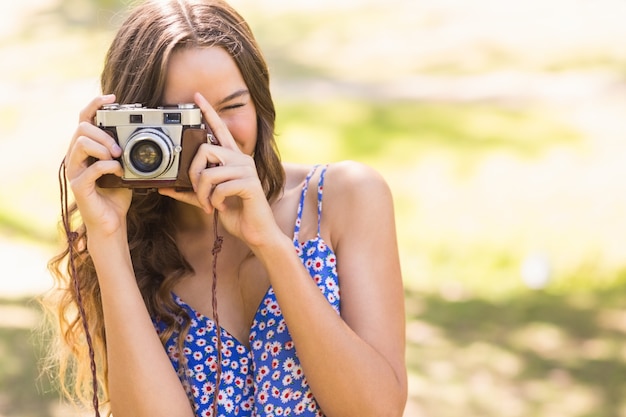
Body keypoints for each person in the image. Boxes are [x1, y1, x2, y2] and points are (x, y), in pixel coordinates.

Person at [47, 0, 407, 416]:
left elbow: (376, 410)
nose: (213, 134)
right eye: (183, 118)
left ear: (259, 103)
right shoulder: (132, 247)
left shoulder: (346, 198)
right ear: (133, 125)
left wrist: (269, 243)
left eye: (233, 106)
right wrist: (107, 241)